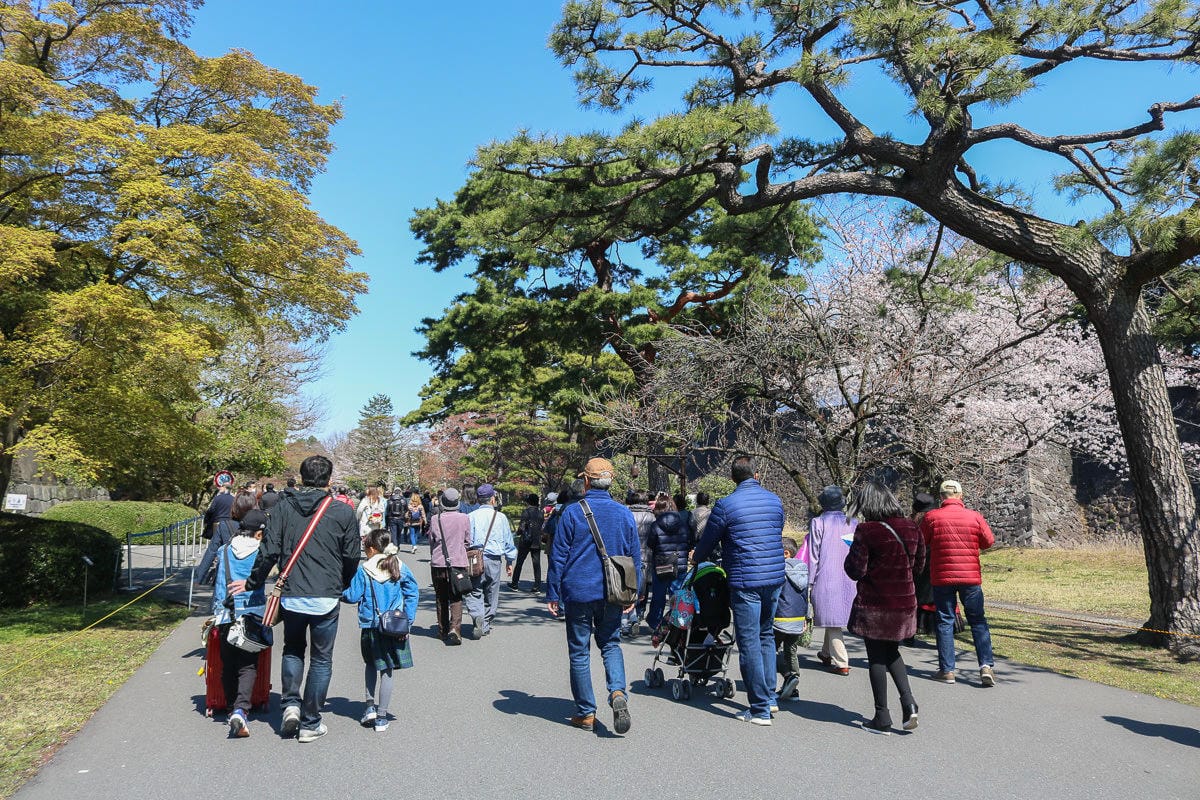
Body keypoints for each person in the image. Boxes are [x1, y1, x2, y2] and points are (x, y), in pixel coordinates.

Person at [231, 455, 360, 743]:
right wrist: (343, 582)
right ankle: (310, 721)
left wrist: (252, 583)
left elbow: (269, 551)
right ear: (329, 479)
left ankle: (290, 705)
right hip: (326, 594)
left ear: (301, 478)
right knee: (322, 659)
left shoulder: (283, 508)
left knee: (293, 649)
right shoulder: (342, 512)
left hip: (292, 594)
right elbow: (352, 555)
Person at [546, 457, 640, 735]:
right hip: (614, 590)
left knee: (579, 651)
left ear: (586, 481)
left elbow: (558, 555)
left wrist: (553, 591)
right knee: (611, 643)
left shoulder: (573, 513)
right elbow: (635, 556)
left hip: (579, 590)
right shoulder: (624, 513)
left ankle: (586, 712)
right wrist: (634, 592)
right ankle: (617, 693)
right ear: (610, 482)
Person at [691, 455, 785, 726]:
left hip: (746, 580)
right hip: (774, 577)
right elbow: (775, 529)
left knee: (749, 641)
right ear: (756, 475)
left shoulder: (726, 505)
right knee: (766, 634)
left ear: (733, 478)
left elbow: (709, 539)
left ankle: (758, 709)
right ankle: (769, 698)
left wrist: (696, 558)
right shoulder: (774, 500)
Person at [844, 481, 927, 734]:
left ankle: (882, 716)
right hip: (904, 603)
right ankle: (909, 702)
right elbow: (920, 565)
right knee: (892, 653)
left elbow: (855, 570)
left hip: (876, 604)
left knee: (877, 658)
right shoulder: (912, 527)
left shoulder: (866, 531)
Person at [920, 479, 997, 687]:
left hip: (942, 577)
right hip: (970, 577)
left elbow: (922, 542)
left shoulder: (931, 517)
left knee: (944, 621)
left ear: (941, 497)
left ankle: (947, 670)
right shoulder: (974, 516)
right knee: (978, 621)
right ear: (961, 495)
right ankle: (986, 666)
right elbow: (988, 541)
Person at [341, 529, 419, 733]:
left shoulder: (364, 569)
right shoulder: (398, 565)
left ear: (372, 548)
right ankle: (382, 716)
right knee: (388, 670)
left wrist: (339, 591)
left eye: (365, 547)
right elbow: (412, 591)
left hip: (371, 625)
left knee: (370, 664)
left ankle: (369, 707)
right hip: (395, 626)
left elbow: (352, 596)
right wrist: (408, 619)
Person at [210, 509, 267, 738]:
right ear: (259, 534)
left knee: (228, 664)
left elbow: (218, 586)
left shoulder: (224, 551)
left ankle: (233, 708)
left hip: (225, 614)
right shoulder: (261, 553)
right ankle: (241, 710)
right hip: (251, 617)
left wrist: (215, 614)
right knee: (248, 665)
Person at [809, 485, 858, 676]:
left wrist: (810, 581)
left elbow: (814, 555)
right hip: (849, 576)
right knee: (833, 617)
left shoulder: (818, 522)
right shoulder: (853, 522)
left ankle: (842, 661)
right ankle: (825, 653)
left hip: (826, 575)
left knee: (832, 619)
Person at [464, 483, 517, 638]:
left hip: (475, 558)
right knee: (491, 592)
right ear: (492, 499)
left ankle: (477, 615)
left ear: (479, 499)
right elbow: (508, 541)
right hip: (494, 559)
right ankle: (486, 622)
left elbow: (466, 540)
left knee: (475, 590)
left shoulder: (471, 517)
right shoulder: (500, 517)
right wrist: (509, 561)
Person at [428, 488, 473, 645]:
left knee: (441, 597)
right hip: (458, 562)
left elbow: (432, 540)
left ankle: (442, 630)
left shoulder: (435, 519)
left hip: (439, 562)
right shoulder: (464, 518)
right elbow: (468, 541)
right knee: (456, 596)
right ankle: (456, 628)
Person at [644, 494, 693, 632]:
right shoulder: (683, 523)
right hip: (680, 563)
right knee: (677, 594)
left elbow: (651, 543)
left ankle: (655, 623)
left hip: (661, 563)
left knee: (658, 596)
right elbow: (689, 542)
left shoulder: (656, 525)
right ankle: (677, 623)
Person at [774, 536, 809, 704]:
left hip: (780, 617)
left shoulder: (779, 569)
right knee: (791, 649)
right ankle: (793, 685)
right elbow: (805, 596)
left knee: (769, 649)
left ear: (786, 553)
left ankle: (781, 680)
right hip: (798, 618)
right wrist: (806, 619)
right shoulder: (803, 569)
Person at [197, 490, 256, 586]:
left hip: (227, 575)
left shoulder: (224, 525)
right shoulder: (259, 526)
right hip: (250, 578)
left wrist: (200, 577)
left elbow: (212, 550)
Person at [622, 490, 656, 636]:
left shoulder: (625, 513)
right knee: (643, 589)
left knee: (625, 589)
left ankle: (625, 622)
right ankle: (638, 614)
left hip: (628, 556)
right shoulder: (652, 516)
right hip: (647, 555)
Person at [909, 493, 939, 643]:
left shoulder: (913, 524)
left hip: (918, 565)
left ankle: (910, 633)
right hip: (937, 564)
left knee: (915, 599)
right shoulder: (938, 520)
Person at [510, 493, 544, 593]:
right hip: (536, 540)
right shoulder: (540, 513)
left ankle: (515, 583)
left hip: (525, 540)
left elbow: (522, 527)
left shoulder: (526, 512)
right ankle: (537, 586)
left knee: (520, 562)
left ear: (528, 502)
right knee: (537, 564)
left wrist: (517, 533)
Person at [386, 488, 407, 552]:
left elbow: (388, 509)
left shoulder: (390, 500)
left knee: (393, 533)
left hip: (392, 518)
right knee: (399, 533)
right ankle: (397, 545)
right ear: (400, 492)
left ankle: (395, 546)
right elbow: (406, 509)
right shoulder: (403, 500)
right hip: (401, 518)